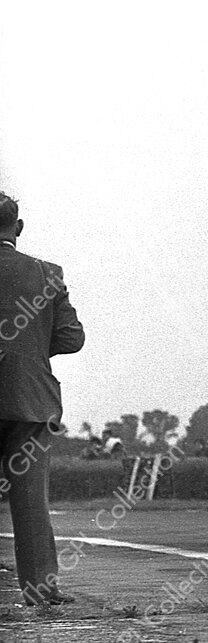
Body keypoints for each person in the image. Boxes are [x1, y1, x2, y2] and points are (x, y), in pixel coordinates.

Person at [0, 192, 85, 605]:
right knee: (31, 498)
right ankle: (40, 587)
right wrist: (29, 349)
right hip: (31, 398)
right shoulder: (47, 273)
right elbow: (71, 338)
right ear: (17, 227)